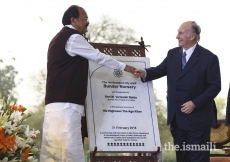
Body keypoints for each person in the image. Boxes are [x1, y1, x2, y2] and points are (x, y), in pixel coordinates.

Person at [40, 5, 135, 162]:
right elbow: (99, 57)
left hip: (53, 107)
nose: (87, 23)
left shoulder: (57, 39)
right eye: (85, 19)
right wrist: (127, 67)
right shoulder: (74, 37)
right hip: (67, 107)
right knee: (72, 152)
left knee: (53, 154)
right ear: (73, 20)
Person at [133, 21, 221, 162]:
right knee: (182, 158)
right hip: (177, 119)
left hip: (198, 119)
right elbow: (160, 70)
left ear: (192, 36)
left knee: (198, 158)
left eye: (181, 33)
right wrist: (144, 73)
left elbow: (215, 87)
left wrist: (194, 103)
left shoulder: (209, 58)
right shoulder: (172, 53)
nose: (177, 36)